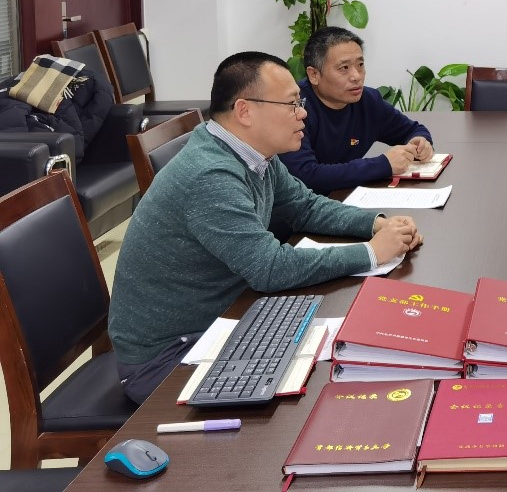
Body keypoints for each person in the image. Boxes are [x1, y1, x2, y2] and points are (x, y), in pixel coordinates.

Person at [108, 51, 422, 403]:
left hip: (225, 320)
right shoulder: (211, 174)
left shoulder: (252, 153)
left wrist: (376, 224)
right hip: (168, 358)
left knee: (337, 356)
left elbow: (304, 206)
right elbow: (269, 268)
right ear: (245, 111)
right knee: (322, 390)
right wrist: (371, 253)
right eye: (291, 104)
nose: (303, 113)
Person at [279, 27, 434, 192]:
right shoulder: (293, 108)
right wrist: (382, 165)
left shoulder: (368, 100)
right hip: (303, 205)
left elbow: (413, 130)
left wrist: (420, 143)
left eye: (360, 65)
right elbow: (305, 176)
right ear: (314, 75)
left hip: (343, 197)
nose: (357, 76)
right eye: (344, 68)